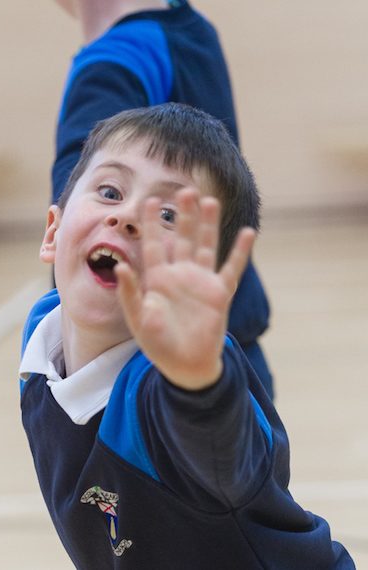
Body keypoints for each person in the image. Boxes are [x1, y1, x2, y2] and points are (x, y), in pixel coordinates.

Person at [19, 103, 354, 569]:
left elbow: (220, 452)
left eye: (170, 217)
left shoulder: (174, 388)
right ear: (52, 232)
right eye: (111, 191)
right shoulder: (41, 337)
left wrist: (199, 381)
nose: (130, 216)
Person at [52, 0, 274, 398]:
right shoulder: (193, 29)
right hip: (231, 361)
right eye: (110, 193)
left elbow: (76, 218)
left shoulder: (114, 62)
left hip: (164, 387)